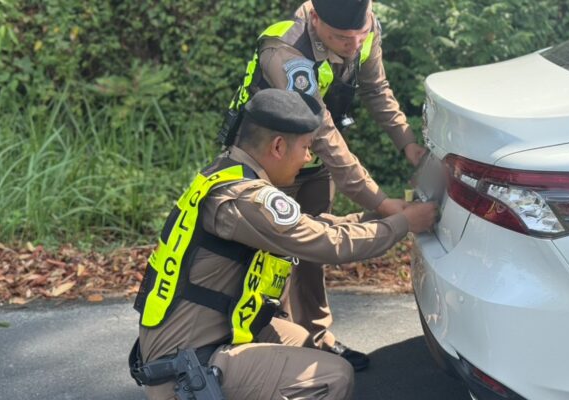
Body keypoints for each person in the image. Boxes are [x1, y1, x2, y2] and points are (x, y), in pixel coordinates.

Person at [130, 89, 437, 400]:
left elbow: (313, 227)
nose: (307, 158)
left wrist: (381, 216)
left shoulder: (228, 172)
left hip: (197, 344)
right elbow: (329, 244)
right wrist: (404, 224)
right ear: (278, 146)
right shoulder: (247, 199)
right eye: (306, 147)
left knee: (304, 343)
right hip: (187, 373)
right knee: (332, 377)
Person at [219, 0, 427, 370]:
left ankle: (316, 336)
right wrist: (382, 204)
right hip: (267, 162)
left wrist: (408, 143)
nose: (354, 45)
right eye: (342, 38)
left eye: (360, 35)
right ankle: (271, 338)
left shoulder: (364, 28)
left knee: (313, 248)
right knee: (274, 249)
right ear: (315, 18)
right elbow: (324, 135)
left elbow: (375, 89)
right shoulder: (286, 52)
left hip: (308, 158)